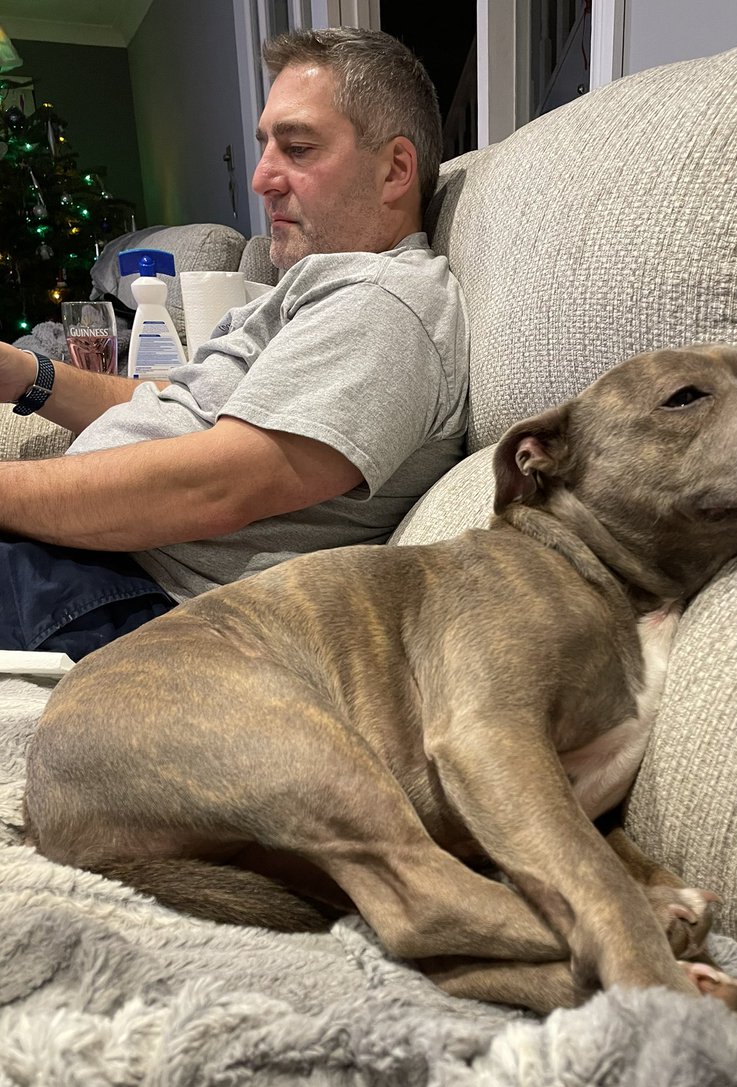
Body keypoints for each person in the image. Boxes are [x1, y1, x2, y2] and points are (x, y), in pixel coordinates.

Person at [0, 28, 469, 660]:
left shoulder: (383, 303)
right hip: (92, 564)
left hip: (131, 599)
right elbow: (179, 399)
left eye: (297, 148)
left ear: (395, 170)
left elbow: (217, 487)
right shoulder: (311, 289)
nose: (261, 178)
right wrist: (26, 375)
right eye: (265, 145)